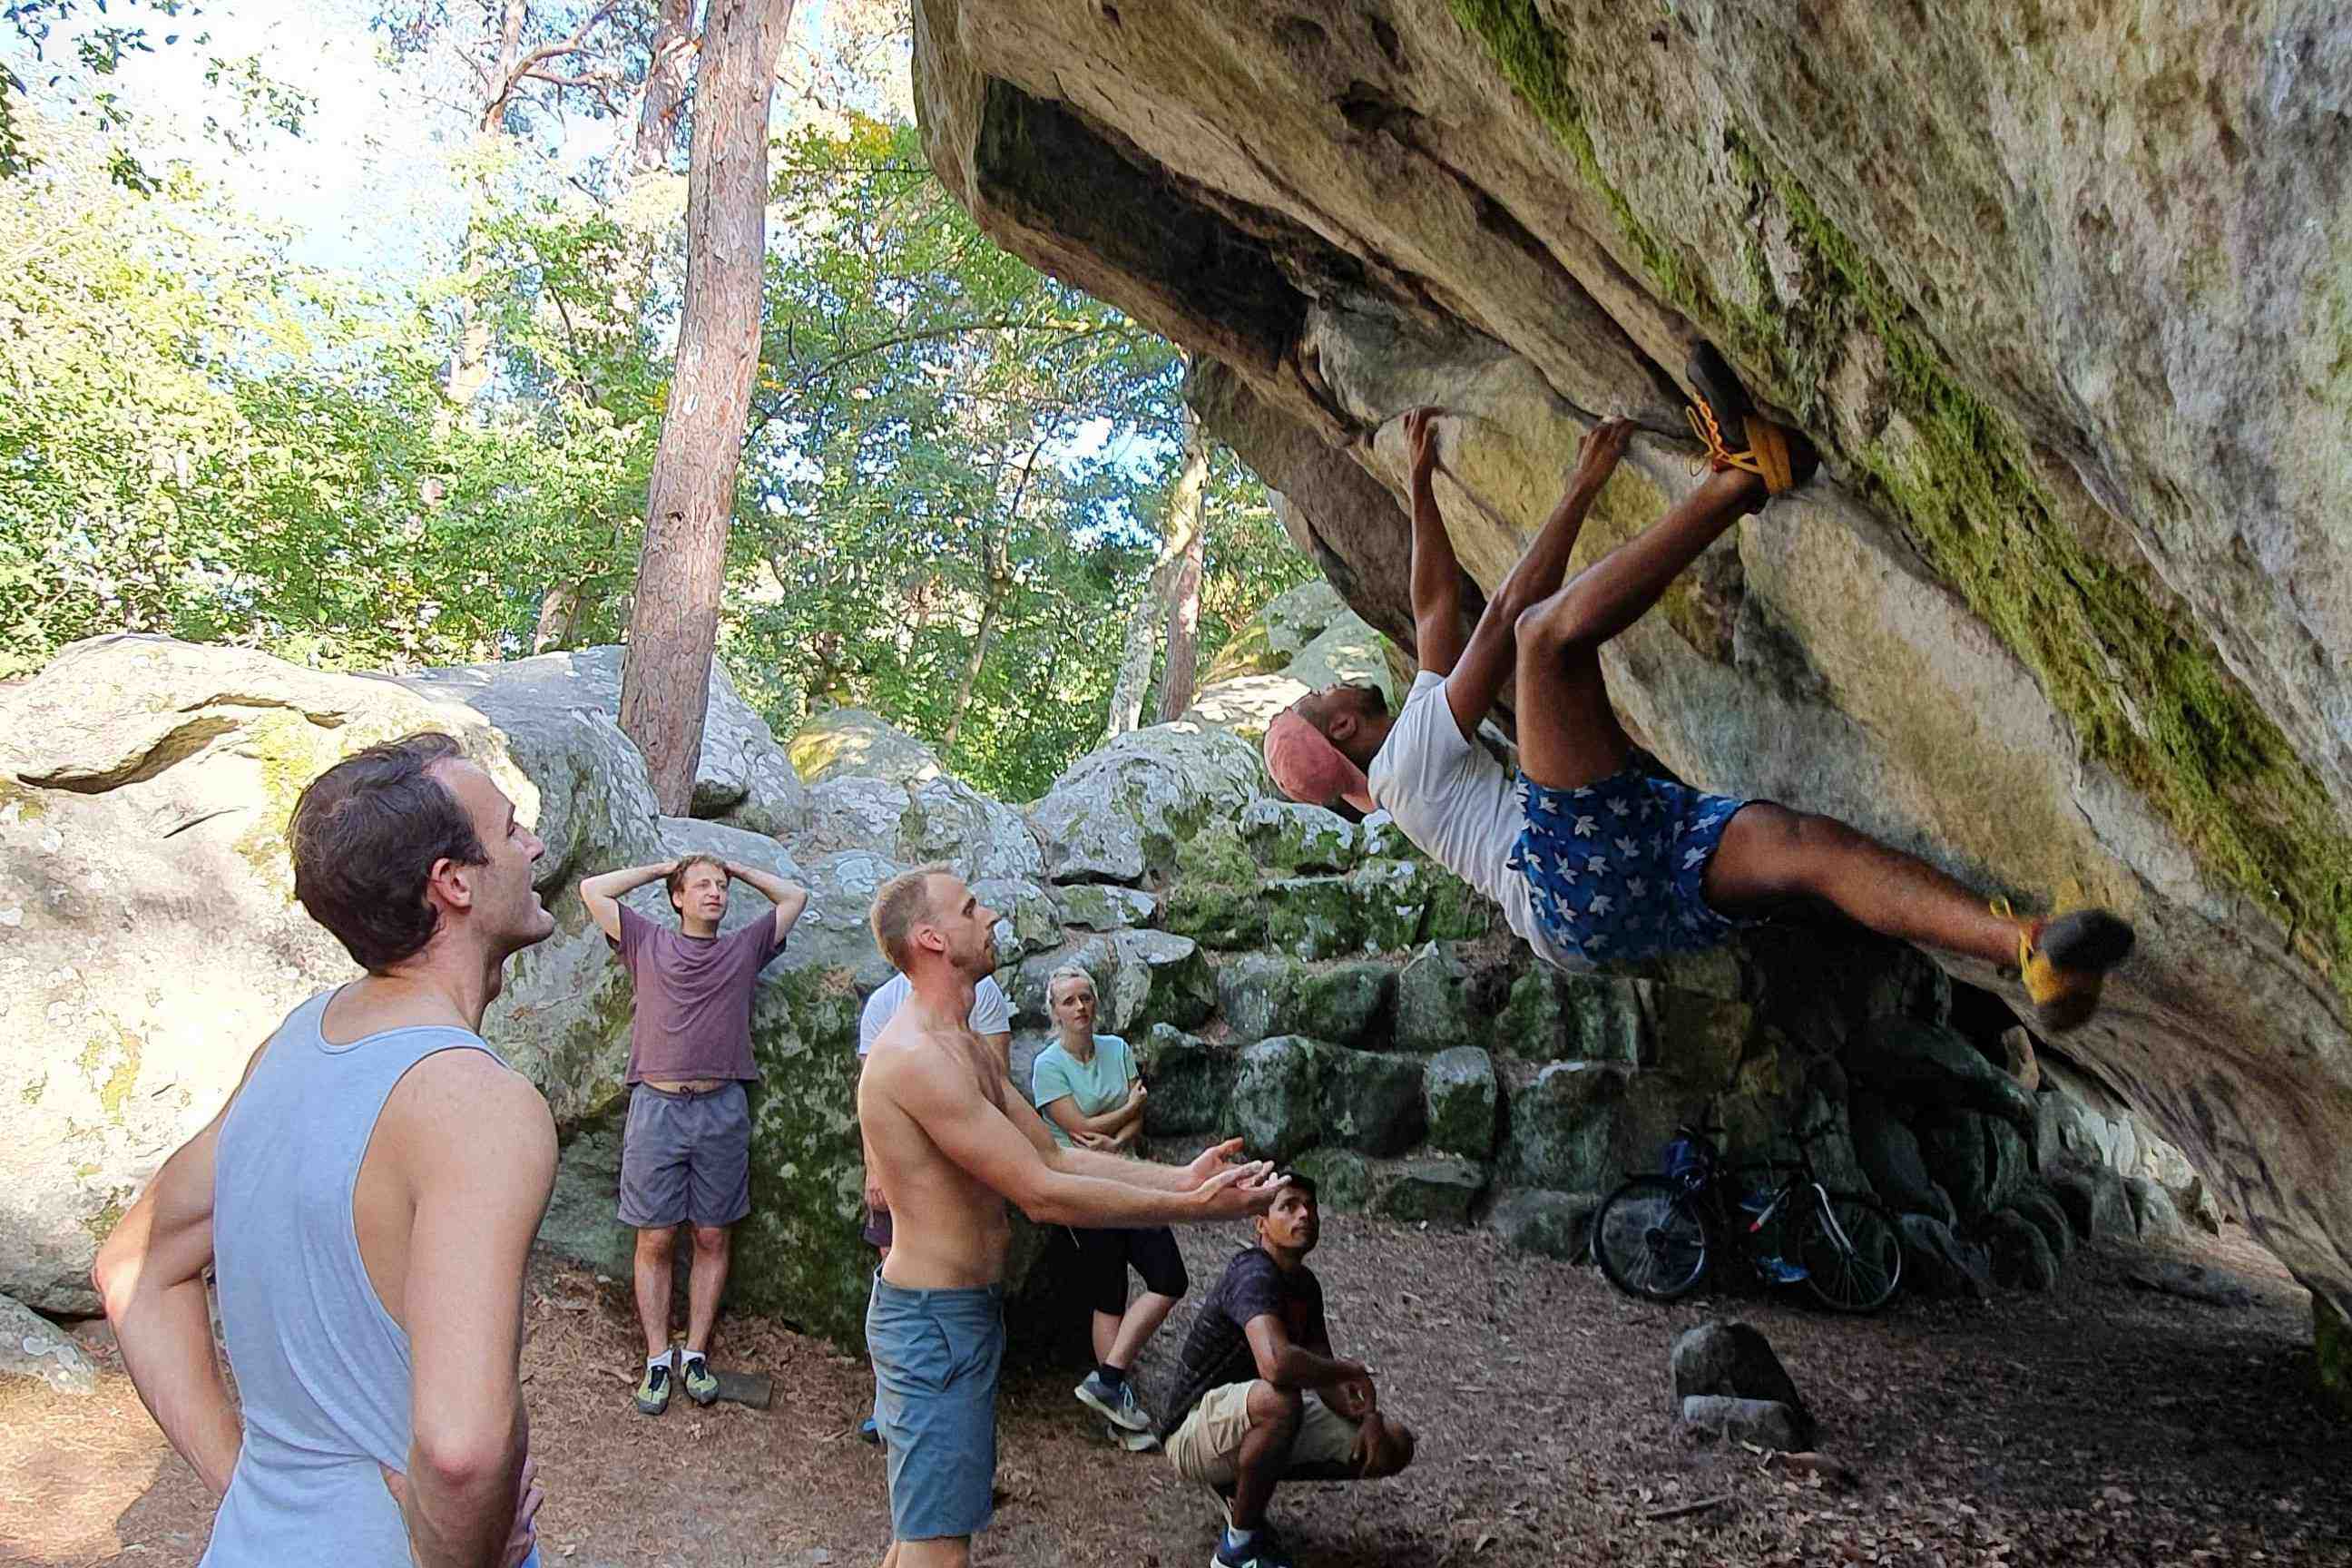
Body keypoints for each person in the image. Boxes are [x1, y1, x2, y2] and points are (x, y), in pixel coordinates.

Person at [1262, 348, 2134, 1035]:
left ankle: (2031, 948)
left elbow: (1434, 603)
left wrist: (1419, 485)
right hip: (1564, 879)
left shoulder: (1409, 748)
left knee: (1807, 849)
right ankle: (1747, 476)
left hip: (1600, 901)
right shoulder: (1408, 765)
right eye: (1319, 697)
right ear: (1343, 724)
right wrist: (1582, 484)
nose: (1332, 678)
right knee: (1544, 642)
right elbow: (1504, 620)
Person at [93, 731, 556, 1567]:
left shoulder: (298, 1040)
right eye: (512, 828)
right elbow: (460, 1454)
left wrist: (246, 1484)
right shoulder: (484, 1107)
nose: (535, 846)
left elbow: (132, 1266)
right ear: (451, 883)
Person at [857, 863, 1281, 1568]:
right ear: (931, 938)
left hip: (957, 1317)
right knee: (939, 1552)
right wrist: (1193, 1208)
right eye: (969, 908)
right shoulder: (915, 1059)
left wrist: (1182, 1176)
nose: (989, 915)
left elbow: (1053, 1156)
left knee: (922, 1540)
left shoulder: (961, 1043)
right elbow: (1040, 1195)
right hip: (930, 1325)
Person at [582, 853, 808, 1416]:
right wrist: (662, 870)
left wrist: (738, 866)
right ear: (678, 897)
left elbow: (794, 898)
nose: (715, 892)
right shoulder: (645, 940)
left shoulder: (743, 948)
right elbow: (593, 890)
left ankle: (697, 1353)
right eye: (702, 885)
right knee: (654, 1239)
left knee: (712, 1236)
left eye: (721, 886)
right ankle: (658, 1358)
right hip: (656, 1108)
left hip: (722, 1108)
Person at [1158, 1172, 1414, 1568]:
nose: (1305, 1215)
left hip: (1252, 1419)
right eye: (1289, 1206)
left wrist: (1369, 1417)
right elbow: (1276, 1365)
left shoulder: (1305, 1286)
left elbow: (1329, 1380)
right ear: (1261, 1222)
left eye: (1311, 1207)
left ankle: (1239, 1490)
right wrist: (1347, 1369)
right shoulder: (1252, 1272)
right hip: (1193, 1433)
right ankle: (1236, 1550)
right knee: (1281, 1401)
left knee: (1394, 1443)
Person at [1029, 965, 1187, 1448]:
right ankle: (1119, 1416)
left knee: (1169, 1278)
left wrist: (1115, 1141)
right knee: (1109, 1292)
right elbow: (1077, 1127)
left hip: (1128, 1177)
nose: (1079, 1008)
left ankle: (1110, 1381)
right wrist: (1126, 1111)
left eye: (1085, 998)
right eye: (1069, 1001)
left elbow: (1131, 1123)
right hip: (1082, 1190)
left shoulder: (1117, 1050)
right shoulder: (1047, 1066)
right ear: (1053, 1012)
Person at [853, 964, 1013, 1443]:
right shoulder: (884, 1003)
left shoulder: (983, 996)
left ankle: (949, 1401)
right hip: (904, 1160)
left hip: (965, 1159)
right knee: (895, 1273)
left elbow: (995, 1080)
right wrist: (873, 1168)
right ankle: (891, 1406)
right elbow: (869, 1092)